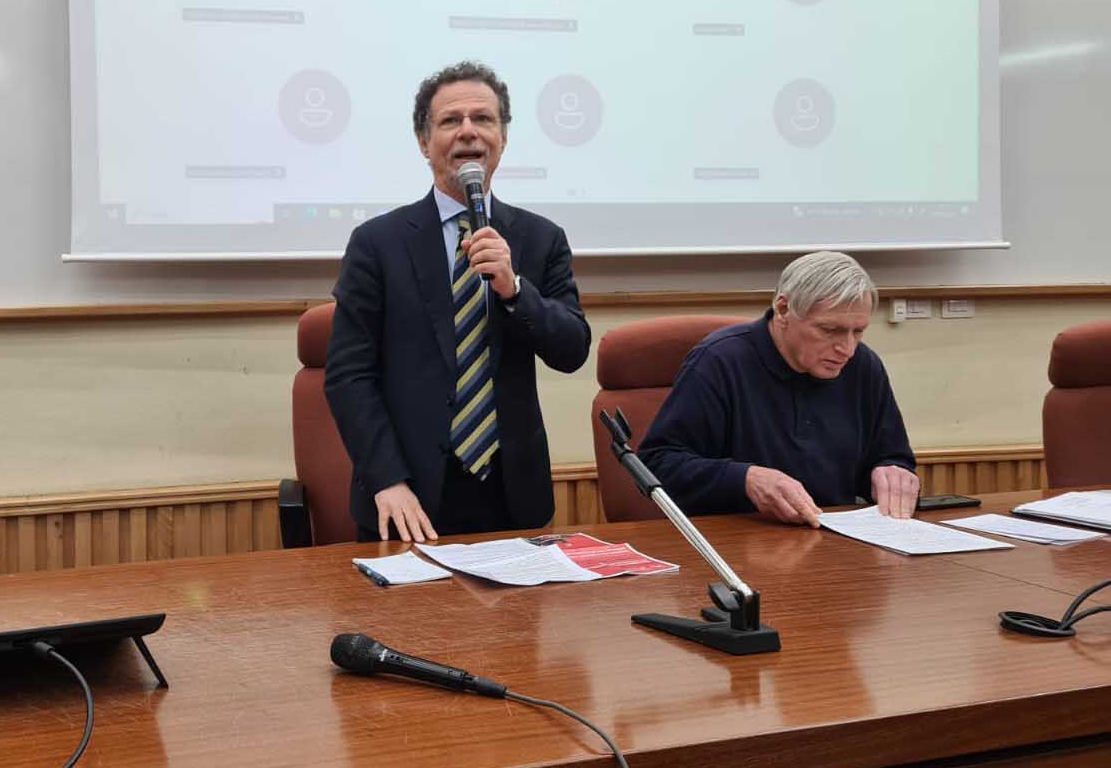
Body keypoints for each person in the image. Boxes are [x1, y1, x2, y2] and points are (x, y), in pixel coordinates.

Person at [325, 61, 591, 542]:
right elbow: (348, 376)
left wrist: (515, 289)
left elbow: (572, 350)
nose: (468, 131)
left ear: (502, 139)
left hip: (512, 497)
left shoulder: (540, 238)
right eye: (451, 121)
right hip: (407, 498)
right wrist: (387, 480)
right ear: (424, 143)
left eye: (483, 119)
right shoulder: (377, 244)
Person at [638, 251, 918, 527]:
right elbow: (659, 462)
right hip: (736, 539)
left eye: (858, 331)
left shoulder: (862, 366)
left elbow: (890, 455)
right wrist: (744, 479)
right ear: (784, 310)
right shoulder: (720, 361)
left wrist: (894, 474)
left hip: (836, 538)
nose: (846, 348)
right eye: (829, 330)